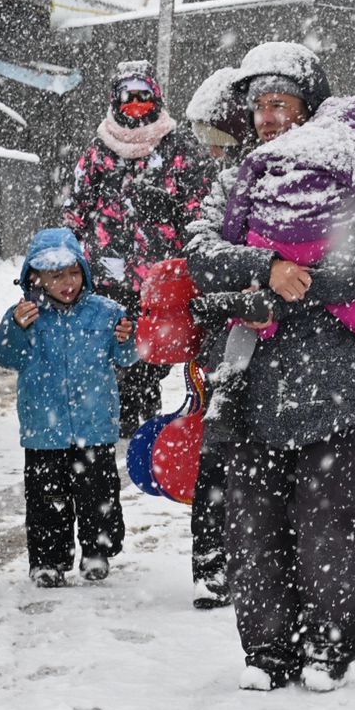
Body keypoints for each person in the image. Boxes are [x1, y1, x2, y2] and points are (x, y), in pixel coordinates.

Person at [186, 40, 355, 692]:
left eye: (283, 104)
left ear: (310, 108)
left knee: (327, 517)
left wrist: (288, 283)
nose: (270, 117)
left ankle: (328, 647)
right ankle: (268, 650)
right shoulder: (235, 180)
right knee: (254, 521)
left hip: (337, 379)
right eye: (260, 107)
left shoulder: (349, 171)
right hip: (251, 384)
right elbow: (201, 255)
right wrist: (264, 270)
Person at [216, 94, 355, 399]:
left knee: (250, 309)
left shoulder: (277, 147)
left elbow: (241, 196)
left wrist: (236, 242)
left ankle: (229, 379)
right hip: (324, 241)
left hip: (270, 237)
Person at [63, 61, 212, 436]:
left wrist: (178, 219)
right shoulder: (100, 148)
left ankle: (144, 396)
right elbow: (78, 204)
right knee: (116, 337)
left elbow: (200, 203)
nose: (135, 104)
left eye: (142, 96)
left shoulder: (179, 145)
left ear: (156, 98)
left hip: (161, 270)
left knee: (155, 346)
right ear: (115, 100)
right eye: (127, 97)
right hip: (109, 266)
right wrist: (67, 249)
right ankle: (122, 406)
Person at [0, 229, 137, 586]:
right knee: (47, 503)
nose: (67, 283)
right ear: (35, 278)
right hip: (44, 432)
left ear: (84, 271)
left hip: (95, 427)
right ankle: (48, 560)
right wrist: (15, 329)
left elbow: (128, 357)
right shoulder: (25, 315)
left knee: (98, 497)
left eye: (73, 273)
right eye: (56, 276)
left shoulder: (105, 312)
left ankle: (97, 550)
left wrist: (128, 338)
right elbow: (4, 356)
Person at [177, 65, 259, 609]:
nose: (211, 151)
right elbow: (202, 262)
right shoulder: (221, 183)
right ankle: (213, 562)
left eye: (219, 139)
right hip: (223, 348)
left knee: (253, 458)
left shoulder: (268, 182)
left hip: (273, 346)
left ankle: (252, 559)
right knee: (219, 451)